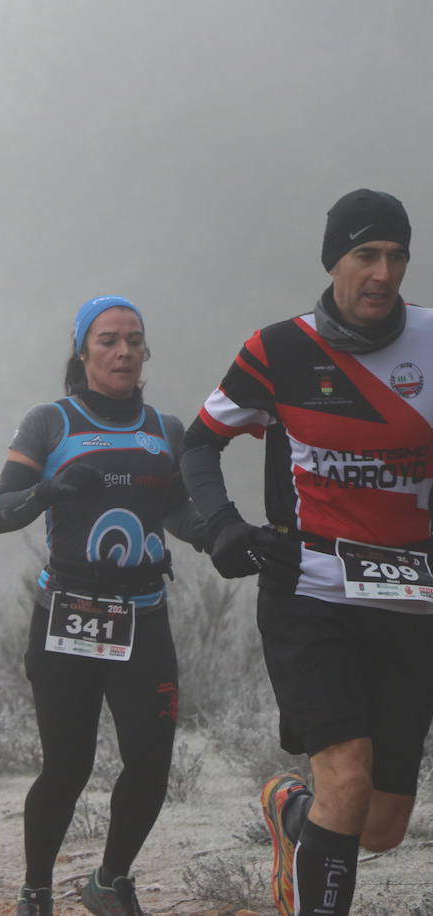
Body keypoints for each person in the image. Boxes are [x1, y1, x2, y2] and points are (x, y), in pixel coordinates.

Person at [180, 189, 433, 916]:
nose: (383, 273)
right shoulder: (279, 350)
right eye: (366, 255)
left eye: (397, 255)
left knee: (381, 826)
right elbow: (199, 444)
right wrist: (225, 527)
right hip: (310, 591)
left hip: (408, 600)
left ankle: (293, 815)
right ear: (334, 263)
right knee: (347, 779)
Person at [0, 295, 208, 916]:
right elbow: (0, 512)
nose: (123, 351)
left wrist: (218, 535)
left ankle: (110, 881)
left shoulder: (166, 429)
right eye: (108, 340)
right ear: (82, 352)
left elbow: (179, 511)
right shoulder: (49, 422)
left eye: (134, 340)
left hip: (144, 615)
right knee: (68, 764)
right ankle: (35, 891)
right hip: (68, 616)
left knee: (150, 759)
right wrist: (49, 489)